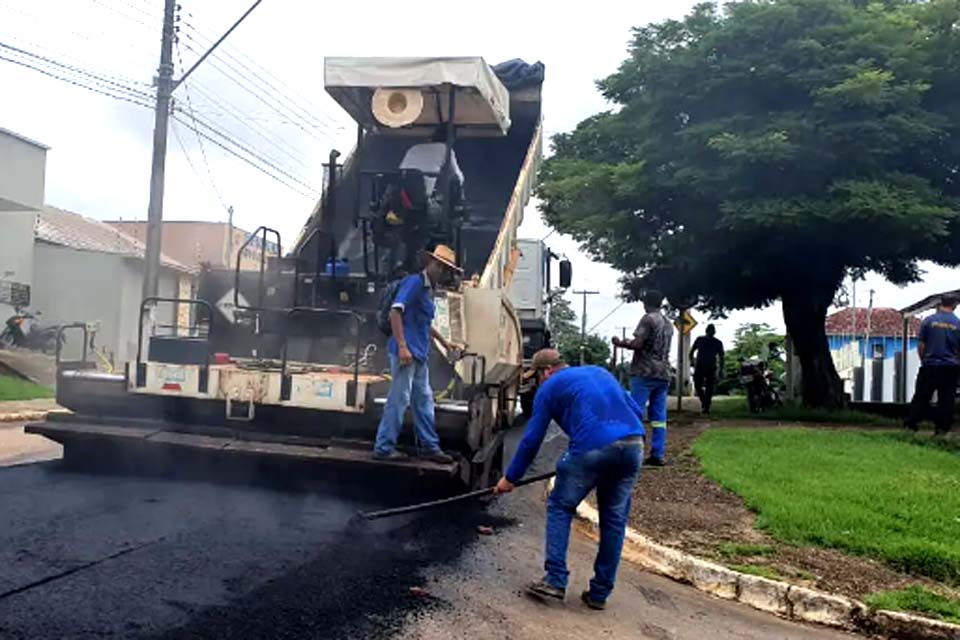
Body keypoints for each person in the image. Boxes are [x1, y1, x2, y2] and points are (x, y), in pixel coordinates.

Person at [494, 349, 644, 610]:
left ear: (546, 371)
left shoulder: (549, 387)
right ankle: (599, 594)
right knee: (614, 521)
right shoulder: (600, 371)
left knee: (560, 507)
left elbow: (531, 440)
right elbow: (635, 409)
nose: (539, 382)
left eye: (538, 376)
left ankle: (555, 580)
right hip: (633, 446)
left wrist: (511, 478)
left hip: (591, 448)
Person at [373, 245, 463, 462]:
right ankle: (384, 448)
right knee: (399, 398)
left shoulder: (428, 290)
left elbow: (424, 323)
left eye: (445, 268)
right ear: (430, 264)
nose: (441, 271)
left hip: (419, 354)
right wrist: (403, 346)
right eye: (438, 266)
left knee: (423, 400)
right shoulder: (414, 283)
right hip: (406, 353)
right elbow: (396, 312)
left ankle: (430, 447)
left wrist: (444, 342)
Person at [612, 290, 674, 466]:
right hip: (663, 373)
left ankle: (632, 453)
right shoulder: (668, 324)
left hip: (644, 372)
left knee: (634, 411)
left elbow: (638, 344)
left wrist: (621, 343)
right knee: (659, 417)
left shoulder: (648, 319)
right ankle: (658, 453)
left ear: (646, 303)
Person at [905, 294, 960, 436]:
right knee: (946, 399)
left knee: (921, 396)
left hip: (930, 365)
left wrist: (924, 361)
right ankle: (942, 430)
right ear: (954, 304)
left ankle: (911, 425)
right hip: (950, 367)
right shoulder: (958, 323)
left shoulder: (928, 321)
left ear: (941, 303)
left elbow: (921, 345)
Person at [689, 324, 725, 415]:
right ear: (706, 331)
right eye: (709, 330)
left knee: (709, 387)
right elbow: (692, 352)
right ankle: (704, 402)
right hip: (700, 365)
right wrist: (692, 361)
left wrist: (721, 369)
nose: (710, 332)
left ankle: (706, 405)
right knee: (697, 385)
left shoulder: (717, 342)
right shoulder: (700, 339)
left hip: (711, 366)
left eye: (712, 330)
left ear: (714, 332)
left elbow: (722, 357)